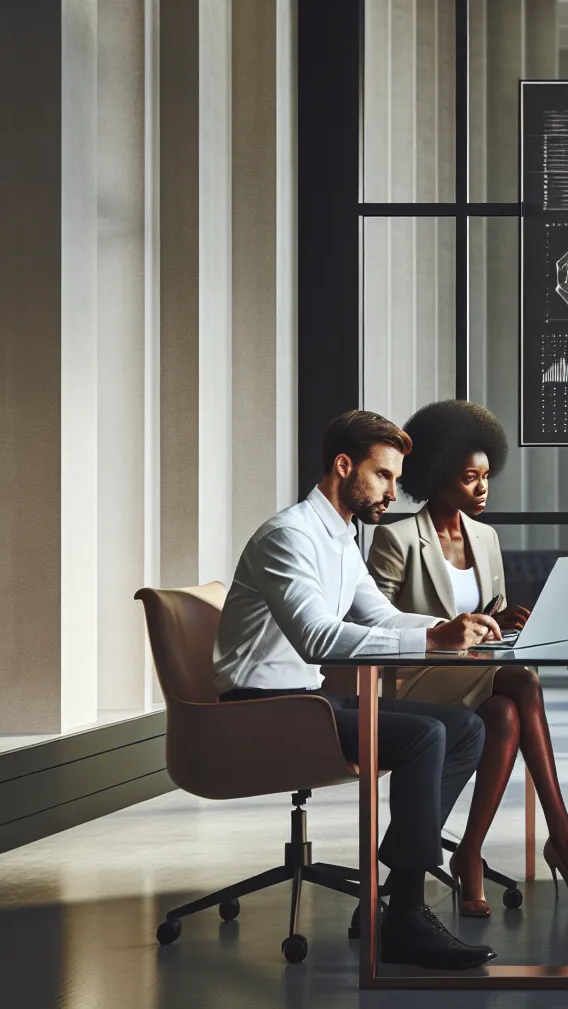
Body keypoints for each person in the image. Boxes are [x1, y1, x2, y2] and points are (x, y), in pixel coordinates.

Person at [211, 410, 498, 971]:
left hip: (306, 700)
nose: (395, 490)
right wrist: (437, 640)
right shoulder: (288, 536)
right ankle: (407, 915)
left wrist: (449, 627)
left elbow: (383, 617)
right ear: (344, 467)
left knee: (466, 727)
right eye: (385, 475)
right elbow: (318, 637)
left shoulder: (342, 534)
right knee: (424, 736)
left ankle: (396, 886)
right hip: (260, 708)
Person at [367, 400, 568, 914]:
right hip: (413, 680)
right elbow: (375, 625)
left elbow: (489, 612)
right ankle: (565, 841)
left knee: (505, 714)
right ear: (436, 476)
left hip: (474, 677)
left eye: (486, 476)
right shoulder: (396, 539)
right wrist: (448, 631)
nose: (482, 488)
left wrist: (505, 619)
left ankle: (470, 852)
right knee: (522, 683)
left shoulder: (485, 537)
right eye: (468, 478)